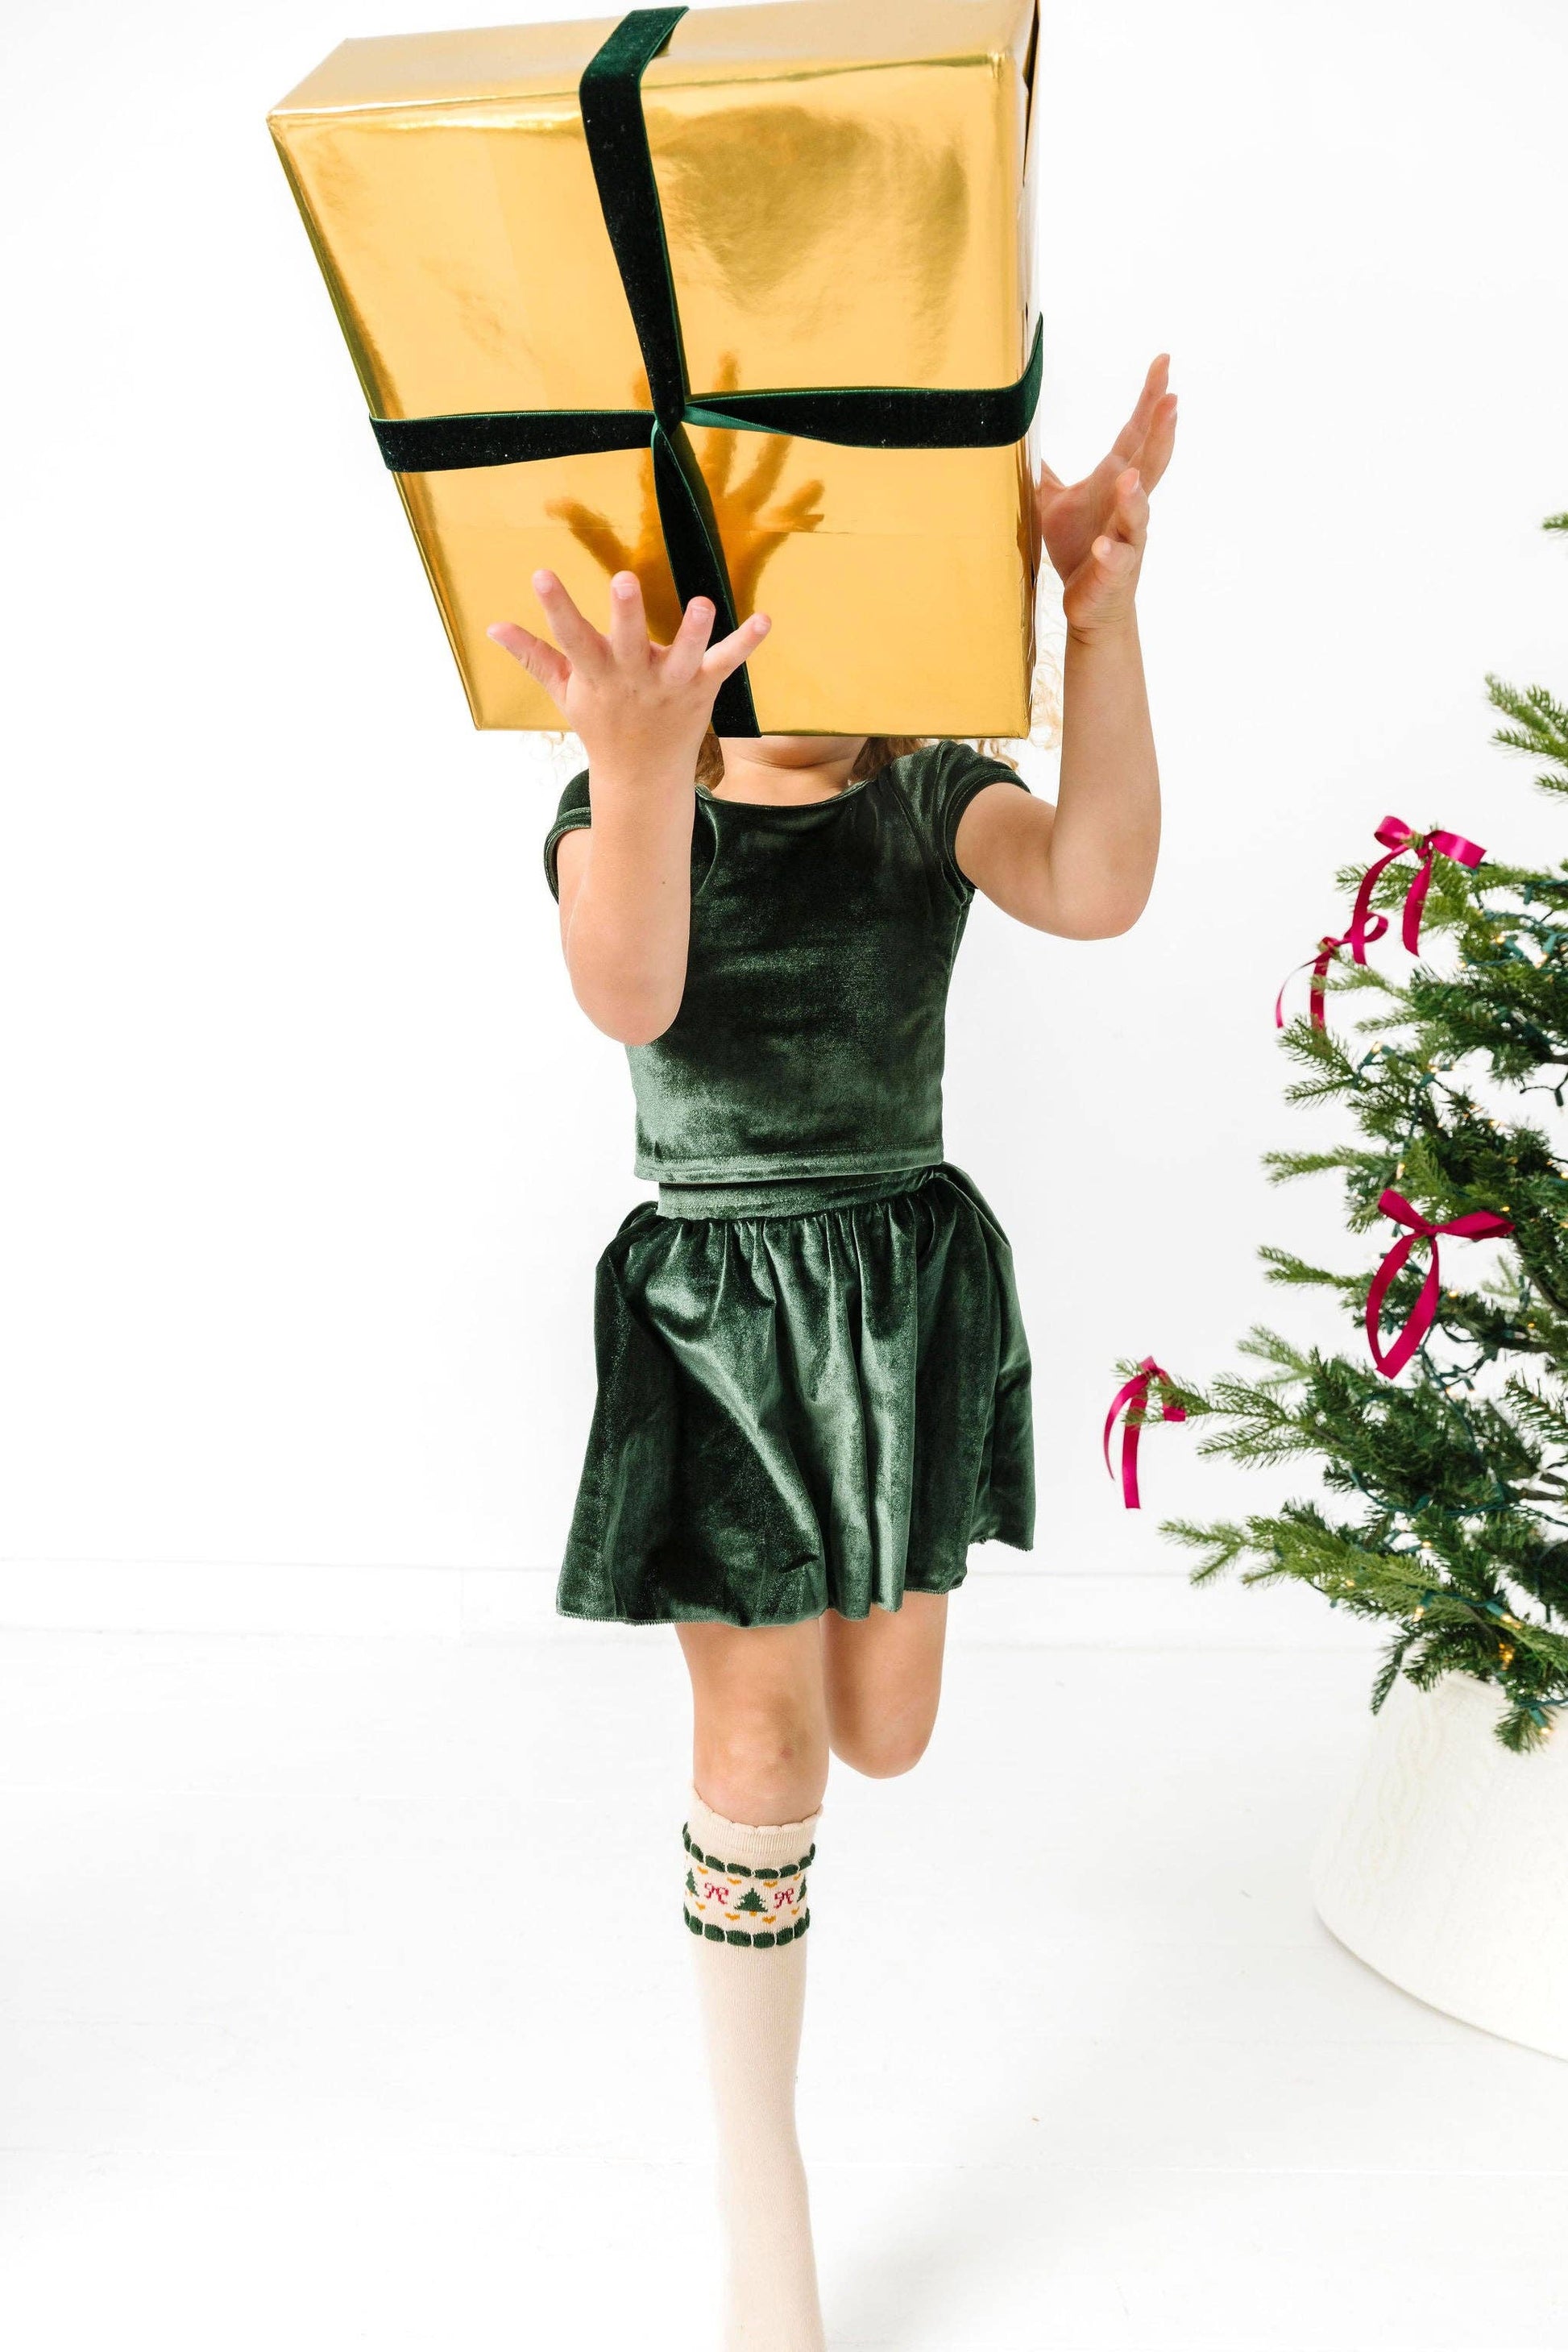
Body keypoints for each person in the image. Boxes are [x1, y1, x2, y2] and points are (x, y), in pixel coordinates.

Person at [487, 353, 1176, 2352]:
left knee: (884, 1731)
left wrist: (1096, 618)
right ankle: (759, 2211)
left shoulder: (929, 793)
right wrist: (631, 764)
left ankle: (776, 1879)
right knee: (765, 1746)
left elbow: (1101, 881)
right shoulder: (611, 813)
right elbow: (631, 984)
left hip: (894, 1294)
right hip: (716, 1309)